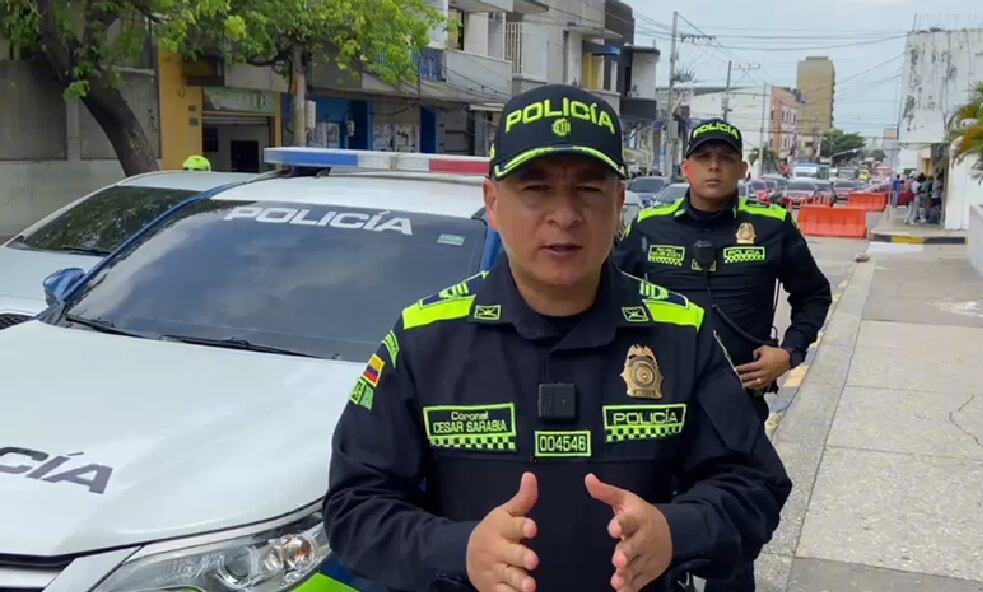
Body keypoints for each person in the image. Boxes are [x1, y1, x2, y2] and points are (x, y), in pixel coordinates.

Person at [323, 85, 791, 592]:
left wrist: (674, 533)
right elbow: (354, 507)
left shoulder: (681, 333)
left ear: (619, 204)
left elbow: (755, 485)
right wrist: (460, 550)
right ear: (493, 202)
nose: (564, 215)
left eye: (588, 189)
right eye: (536, 188)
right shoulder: (425, 338)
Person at [613, 119, 830, 590]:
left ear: (743, 169)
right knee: (653, 522)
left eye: (726, 158)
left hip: (736, 401)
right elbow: (609, 294)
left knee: (729, 526)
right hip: (657, 401)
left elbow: (814, 295)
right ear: (686, 167)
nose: (714, 167)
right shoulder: (650, 227)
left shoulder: (772, 226)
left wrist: (789, 353)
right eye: (705, 158)